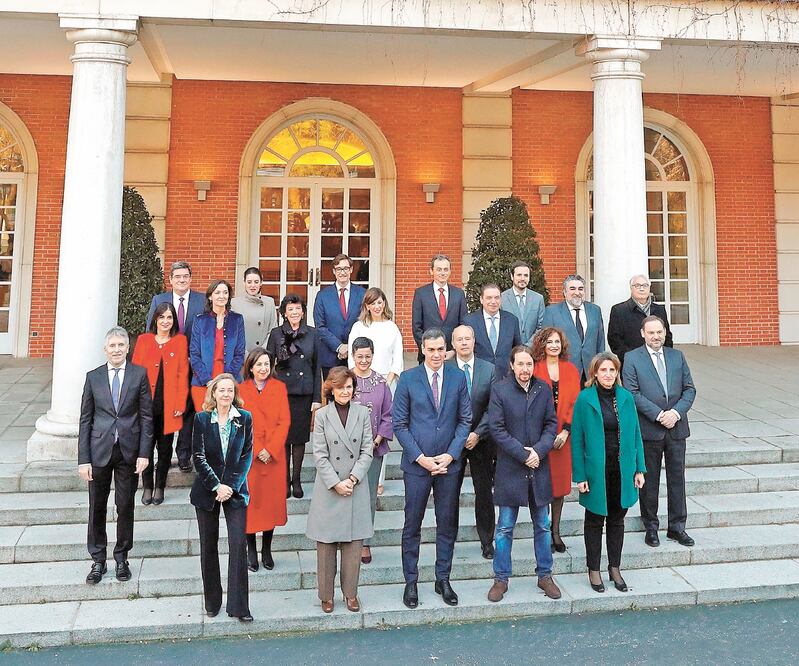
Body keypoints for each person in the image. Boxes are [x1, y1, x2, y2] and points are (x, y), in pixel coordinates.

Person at [393, 328, 471, 609]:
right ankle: (411, 581)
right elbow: (399, 424)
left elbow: (465, 420)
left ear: (446, 349)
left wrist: (450, 456)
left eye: (441, 349)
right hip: (418, 466)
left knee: (447, 523)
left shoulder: (458, 377)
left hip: (448, 466)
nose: (437, 354)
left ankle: (443, 578)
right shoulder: (408, 379)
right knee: (412, 525)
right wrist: (420, 457)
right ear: (422, 350)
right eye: (431, 349)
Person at [78, 327, 153, 584]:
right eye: (113, 346)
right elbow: (85, 419)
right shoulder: (93, 377)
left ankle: (122, 557)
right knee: (96, 507)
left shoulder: (139, 374)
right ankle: (98, 559)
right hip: (98, 452)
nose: (118, 349)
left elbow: (146, 416)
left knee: (125, 506)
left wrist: (145, 453)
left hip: (129, 452)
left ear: (128, 347)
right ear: (105, 349)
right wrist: (83, 459)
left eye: (122, 345)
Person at [487, 345, 561, 602]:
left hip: (538, 469)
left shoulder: (543, 389)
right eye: (520, 364)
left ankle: (545, 575)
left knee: (542, 525)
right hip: (511, 469)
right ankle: (501, 579)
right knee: (505, 527)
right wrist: (523, 454)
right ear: (512, 365)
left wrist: (538, 452)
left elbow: (552, 424)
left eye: (528, 364)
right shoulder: (500, 390)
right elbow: (496, 429)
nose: (525, 369)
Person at [571, 352, 646, 593]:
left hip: (621, 470)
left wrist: (639, 468)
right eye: (603, 370)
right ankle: (594, 570)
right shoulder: (585, 399)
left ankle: (615, 567)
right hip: (596, 471)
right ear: (594, 373)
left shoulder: (625, 398)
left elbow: (635, 435)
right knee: (594, 521)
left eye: (612, 370)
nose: (608, 375)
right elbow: (578, 440)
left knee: (617, 520)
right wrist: (579, 476)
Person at [622, 315, 696, 548]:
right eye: (651, 333)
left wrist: (675, 413)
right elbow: (632, 393)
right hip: (649, 429)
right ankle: (651, 527)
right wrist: (658, 414)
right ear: (643, 334)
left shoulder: (677, 356)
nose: (656, 336)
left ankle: (677, 527)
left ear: (665, 333)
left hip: (676, 428)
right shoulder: (632, 358)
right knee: (649, 481)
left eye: (659, 332)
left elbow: (689, 389)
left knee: (677, 480)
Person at [305, 367, 374, 613]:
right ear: (331, 389)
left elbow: (368, 449)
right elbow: (319, 455)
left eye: (349, 387)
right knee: (325, 547)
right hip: (329, 487)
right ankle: (326, 595)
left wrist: (353, 478)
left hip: (355, 485)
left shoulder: (363, 413)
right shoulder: (322, 416)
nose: (345, 391)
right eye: (340, 387)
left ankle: (351, 594)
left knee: (354, 545)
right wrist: (336, 482)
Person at [191, 374, 254, 622]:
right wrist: (216, 485)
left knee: (238, 545)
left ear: (234, 394)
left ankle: (239, 607)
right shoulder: (202, 419)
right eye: (221, 390)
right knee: (209, 545)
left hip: (235, 491)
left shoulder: (245, 419)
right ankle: (212, 602)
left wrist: (229, 485)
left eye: (230, 390)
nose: (226, 395)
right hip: (207, 491)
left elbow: (246, 456)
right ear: (214, 394)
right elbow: (198, 456)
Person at [146, 260, 204, 472]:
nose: (181, 280)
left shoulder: (201, 300)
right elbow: (151, 331)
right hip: (165, 368)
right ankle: (163, 453)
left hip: (192, 365)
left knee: (188, 411)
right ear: (170, 280)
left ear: (190, 278)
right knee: (165, 409)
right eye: (177, 277)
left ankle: (184, 454)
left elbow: (204, 333)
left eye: (185, 276)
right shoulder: (159, 300)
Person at [238, 348, 290, 572]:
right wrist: (258, 448)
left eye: (266, 364)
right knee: (251, 503)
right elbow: (239, 422)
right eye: (258, 364)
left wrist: (271, 448)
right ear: (250, 367)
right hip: (250, 454)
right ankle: (250, 549)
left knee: (270, 504)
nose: (263, 368)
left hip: (274, 456)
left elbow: (284, 421)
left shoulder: (279, 388)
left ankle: (266, 549)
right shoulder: (240, 390)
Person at [132, 302, 189, 506]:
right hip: (146, 406)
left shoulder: (180, 341)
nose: (166, 321)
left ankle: (159, 486)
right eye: (162, 317)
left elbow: (183, 374)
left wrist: (181, 403)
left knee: (165, 450)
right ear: (155, 319)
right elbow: (135, 374)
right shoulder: (144, 340)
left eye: (169, 317)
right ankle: (147, 486)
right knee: (145, 448)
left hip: (169, 406)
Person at [447, 324, 496, 560]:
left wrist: (477, 433)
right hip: (452, 443)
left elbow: (494, 407)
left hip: (482, 441)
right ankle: (449, 539)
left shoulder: (490, 369)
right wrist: (459, 436)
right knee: (450, 493)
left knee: (484, 492)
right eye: (459, 339)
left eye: (468, 338)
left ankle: (487, 541)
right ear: (453, 344)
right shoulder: (445, 369)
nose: (464, 343)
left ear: (474, 341)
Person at [266, 293, 322, 498]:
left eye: (298, 308)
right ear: (284, 312)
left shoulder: (313, 334)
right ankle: (283, 480)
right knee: (282, 438)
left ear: (303, 311)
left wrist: (317, 398)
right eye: (290, 309)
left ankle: (296, 479)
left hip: (303, 392)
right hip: (281, 392)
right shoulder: (276, 334)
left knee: (298, 439)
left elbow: (317, 367)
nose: (295, 312)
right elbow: (267, 364)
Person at [531, 327, 581, 554]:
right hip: (540, 437)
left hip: (564, 439)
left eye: (557, 342)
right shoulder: (535, 369)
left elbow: (575, 403)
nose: (553, 345)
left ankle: (556, 532)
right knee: (542, 486)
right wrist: (545, 436)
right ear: (542, 344)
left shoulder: (570, 370)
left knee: (560, 487)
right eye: (549, 341)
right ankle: (542, 531)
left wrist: (566, 431)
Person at [350, 337, 393, 565]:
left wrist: (376, 441)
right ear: (353, 356)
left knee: (367, 497)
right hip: (345, 451)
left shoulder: (380, 383)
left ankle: (365, 542)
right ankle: (347, 539)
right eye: (360, 356)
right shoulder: (345, 379)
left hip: (373, 450)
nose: (364, 360)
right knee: (346, 496)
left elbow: (388, 414)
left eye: (368, 356)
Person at [189, 279, 246, 411]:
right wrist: (209, 381)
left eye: (225, 292)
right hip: (203, 384)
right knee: (206, 427)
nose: (222, 296)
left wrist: (227, 381)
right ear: (210, 296)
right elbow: (194, 354)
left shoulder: (237, 319)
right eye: (218, 292)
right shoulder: (200, 320)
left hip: (231, 384)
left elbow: (239, 353)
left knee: (228, 427)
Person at [542, 274, 605, 384]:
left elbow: (600, 342)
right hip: (562, 372)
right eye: (572, 289)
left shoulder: (595, 310)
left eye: (580, 289)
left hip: (590, 372)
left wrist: (600, 366)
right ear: (565, 292)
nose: (577, 292)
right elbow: (544, 344)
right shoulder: (552, 312)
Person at [313, 254, 366, 379]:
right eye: (338, 269)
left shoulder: (362, 294)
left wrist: (351, 346)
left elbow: (366, 323)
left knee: (356, 395)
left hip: (357, 356)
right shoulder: (322, 296)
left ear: (351, 270)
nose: (342, 272)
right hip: (330, 356)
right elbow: (320, 326)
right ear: (333, 271)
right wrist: (339, 346)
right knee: (332, 395)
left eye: (346, 268)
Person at [411, 254, 467, 363]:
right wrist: (429, 350)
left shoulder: (459, 294)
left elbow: (463, 325)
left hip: (452, 355)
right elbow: (416, 326)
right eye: (439, 269)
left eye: (446, 269)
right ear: (431, 271)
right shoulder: (421, 293)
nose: (443, 273)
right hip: (428, 356)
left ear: (450, 271)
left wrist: (454, 350)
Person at [608, 274, 673, 367]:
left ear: (649, 288)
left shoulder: (660, 310)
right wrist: (630, 358)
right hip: (631, 364)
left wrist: (663, 356)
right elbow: (614, 340)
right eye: (637, 285)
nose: (641, 289)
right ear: (631, 288)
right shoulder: (619, 310)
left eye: (645, 285)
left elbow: (667, 336)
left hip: (658, 361)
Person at [347, 287, 404, 388]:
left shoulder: (392, 327)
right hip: (362, 380)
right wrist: (358, 378)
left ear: (384, 304)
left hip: (387, 380)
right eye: (372, 303)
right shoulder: (358, 327)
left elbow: (397, 357)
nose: (377, 307)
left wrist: (388, 381)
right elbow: (352, 357)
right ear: (367, 306)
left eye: (379, 302)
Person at [464, 283, 521, 380]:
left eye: (497, 297)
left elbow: (517, 348)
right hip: (479, 376)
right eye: (489, 298)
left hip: (506, 376)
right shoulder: (469, 321)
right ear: (481, 300)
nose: (493, 301)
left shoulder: (512, 320)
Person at [230, 266, 278, 351]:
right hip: (242, 356)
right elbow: (232, 333)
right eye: (249, 282)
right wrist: (246, 356)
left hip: (263, 356)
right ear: (244, 283)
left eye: (256, 282)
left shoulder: (269, 302)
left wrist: (261, 353)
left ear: (261, 283)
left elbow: (272, 331)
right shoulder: (234, 303)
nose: (253, 285)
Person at [501, 261, 546, 345]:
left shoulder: (538, 299)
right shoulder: (502, 298)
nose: (522, 278)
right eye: (519, 275)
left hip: (532, 351)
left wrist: (528, 346)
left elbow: (541, 326)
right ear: (512, 276)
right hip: (509, 351)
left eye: (526, 275)